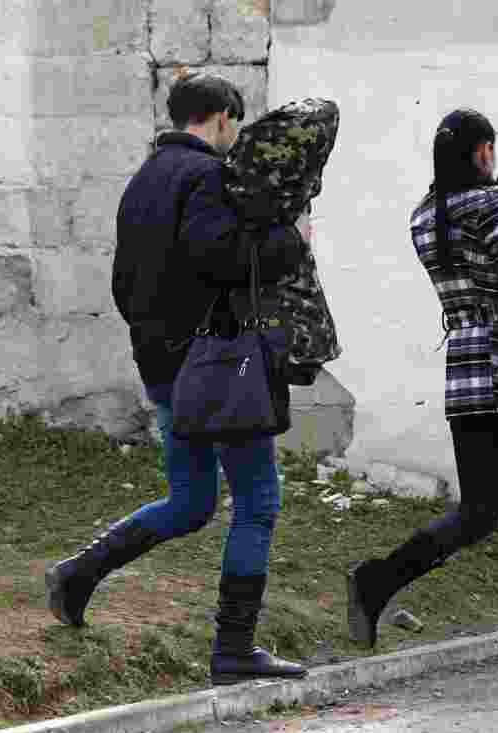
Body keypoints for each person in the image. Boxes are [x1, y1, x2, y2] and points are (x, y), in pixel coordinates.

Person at [45, 71, 310, 685]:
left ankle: (77, 575)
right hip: (215, 367)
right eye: (236, 124)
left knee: (192, 503)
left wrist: (156, 345)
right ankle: (235, 649)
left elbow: (123, 281)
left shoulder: (142, 180)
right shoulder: (207, 176)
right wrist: (289, 242)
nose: (235, 135)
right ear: (221, 117)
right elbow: (218, 254)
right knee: (258, 503)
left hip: (164, 366)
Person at [346, 109, 498, 678]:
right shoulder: (495, 206)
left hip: (468, 363)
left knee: (478, 512)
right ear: (480, 152)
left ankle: (379, 578)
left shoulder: (425, 215)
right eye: (490, 149)